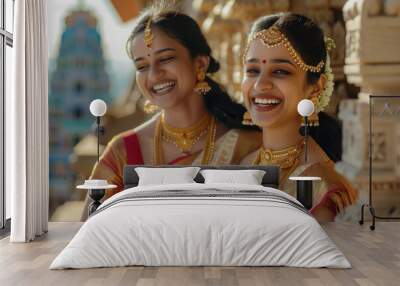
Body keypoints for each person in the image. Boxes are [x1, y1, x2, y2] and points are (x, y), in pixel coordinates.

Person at [84, 7, 262, 208]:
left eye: (166, 59)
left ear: (200, 64)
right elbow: (89, 230)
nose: (153, 75)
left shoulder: (248, 145)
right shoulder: (121, 152)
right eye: (141, 66)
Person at [240, 13, 357, 222]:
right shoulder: (244, 164)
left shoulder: (322, 188)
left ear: (316, 87)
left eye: (280, 71)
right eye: (253, 70)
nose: (260, 85)